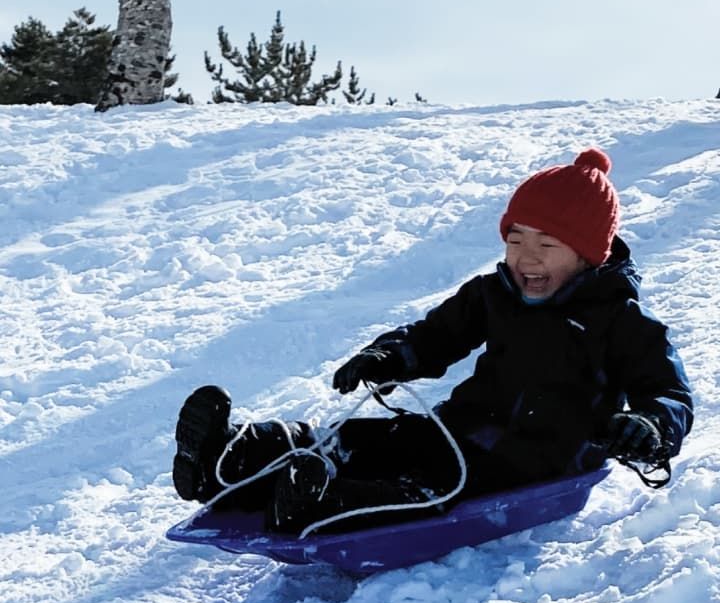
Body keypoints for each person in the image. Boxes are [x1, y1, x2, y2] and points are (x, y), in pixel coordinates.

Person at [171, 148, 693, 535]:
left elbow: (669, 394)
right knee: (357, 440)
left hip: (536, 464)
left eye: (547, 245)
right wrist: (390, 355)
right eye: (515, 241)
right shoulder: (495, 293)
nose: (526, 258)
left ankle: (324, 501)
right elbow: (435, 337)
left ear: (589, 255)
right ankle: (232, 459)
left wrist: (647, 427)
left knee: (433, 491)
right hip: (460, 429)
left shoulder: (623, 322)